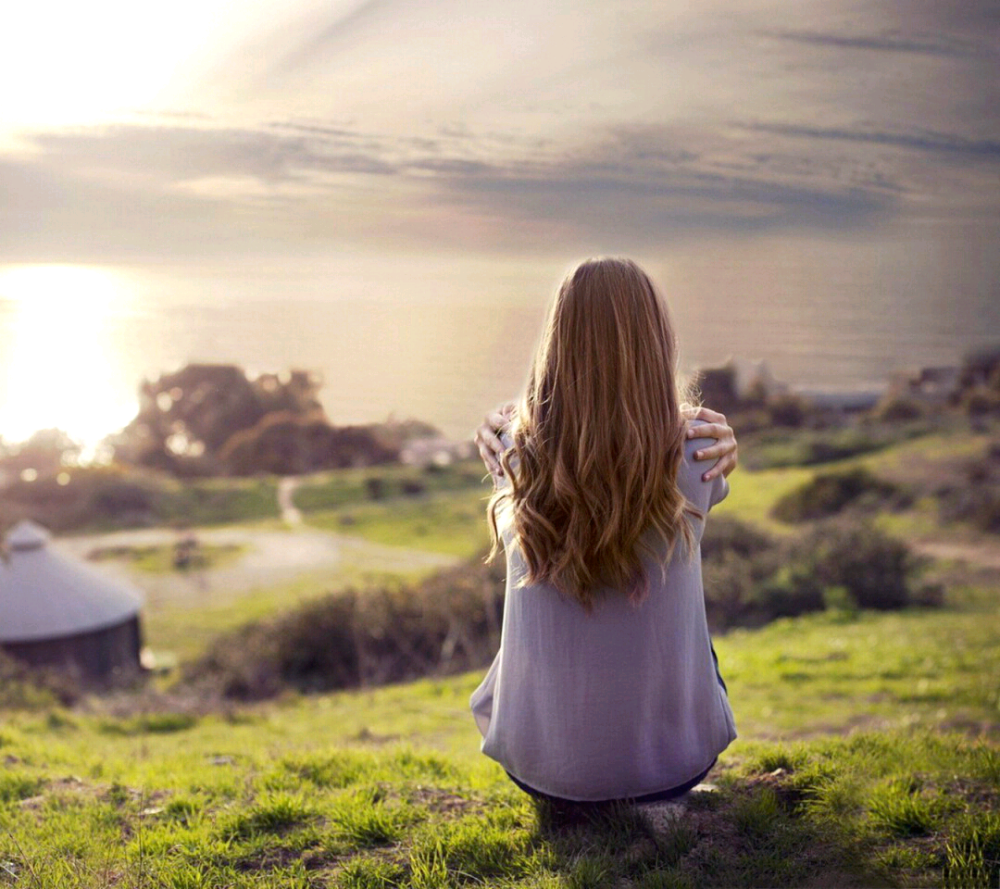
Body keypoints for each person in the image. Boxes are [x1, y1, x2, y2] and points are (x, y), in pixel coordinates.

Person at [469, 257, 738, 806]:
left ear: (556, 344)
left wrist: (500, 426)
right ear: (655, 342)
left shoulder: (515, 454)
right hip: (669, 770)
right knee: (696, 641)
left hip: (539, 769)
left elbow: (529, 429)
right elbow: (700, 465)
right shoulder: (695, 451)